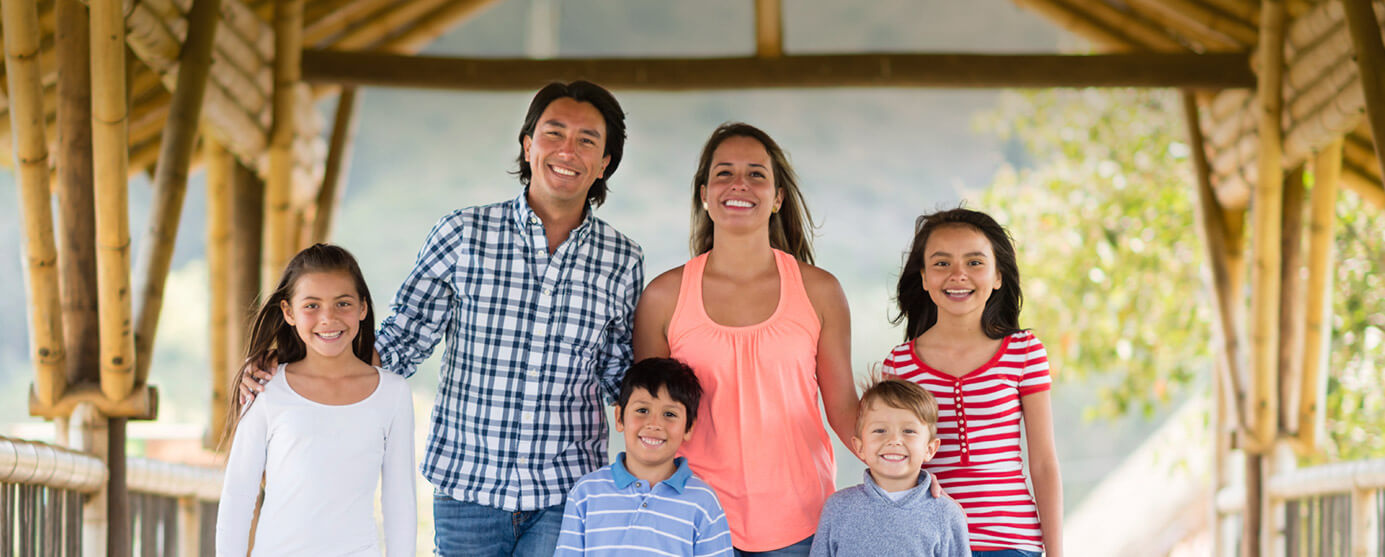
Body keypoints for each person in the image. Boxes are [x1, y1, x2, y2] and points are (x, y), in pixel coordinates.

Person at [241, 81, 644, 556]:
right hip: (467, 487)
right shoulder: (463, 234)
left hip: (567, 491)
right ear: (528, 145)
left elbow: (622, 379)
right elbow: (397, 347)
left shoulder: (623, 258)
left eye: (587, 141)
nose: (567, 151)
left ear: (604, 164)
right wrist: (289, 371)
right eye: (554, 133)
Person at [633, 122, 858, 556]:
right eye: (724, 173)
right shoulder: (662, 297)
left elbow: (845, 409)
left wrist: (907, 473)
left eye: (757, 173)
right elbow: (651, 420)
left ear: (777, 197)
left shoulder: (820, 291)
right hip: (691, 521)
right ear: (703, 193)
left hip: (801, 522)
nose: (740, 184)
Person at [882, 208, 1063, 557]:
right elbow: (894, 463)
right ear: (923, 278)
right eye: (941, 263)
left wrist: (1056, 553)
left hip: (1011, 544)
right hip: (928, 543)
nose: (958, 275)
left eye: (975, 262)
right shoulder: (899, 363)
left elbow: (1043, 463)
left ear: (997, 276)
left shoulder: (1024, 352)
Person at [216, 243, 416, 556]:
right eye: (311, 305)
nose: (328, 318)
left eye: (343, 304)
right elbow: (238, 495)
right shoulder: (265, 388)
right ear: (288, 312)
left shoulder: (393, 393)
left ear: (363, 307)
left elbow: (400, 500)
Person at [555, 357, 733, 556]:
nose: (654, 424)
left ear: (688, 427)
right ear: (619, 418)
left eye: (669, 414)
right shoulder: (585, 494)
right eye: (642, 410)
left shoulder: (703, 502)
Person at [809, 378, 969, 557]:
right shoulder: (838, 508)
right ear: (860, 447)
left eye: (908, 431)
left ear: (929, 449)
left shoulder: (947, 515)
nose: (893, 440)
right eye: (880, 431)